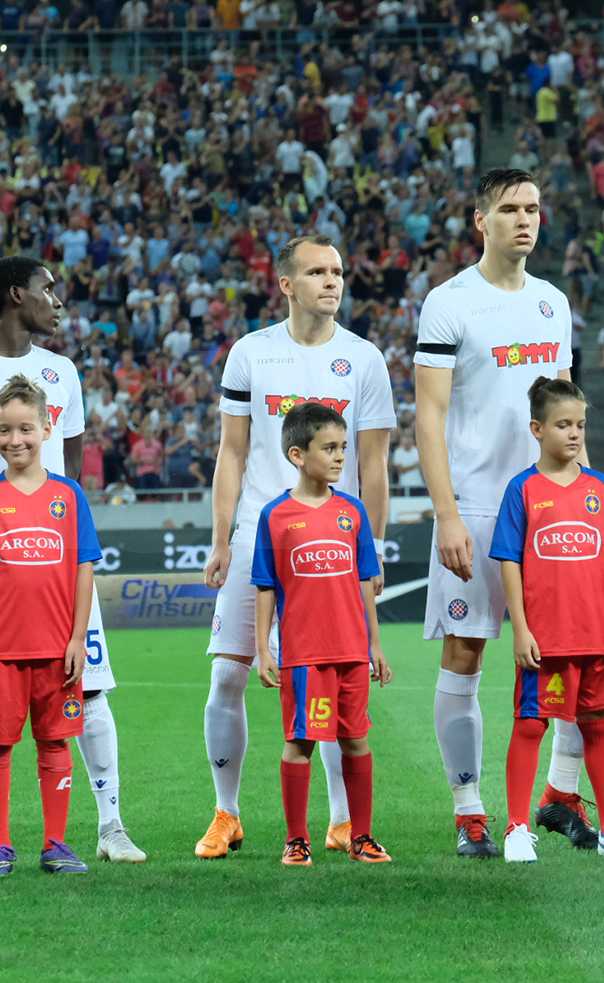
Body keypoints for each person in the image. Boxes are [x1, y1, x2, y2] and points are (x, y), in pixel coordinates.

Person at [0, 255, 144, 868]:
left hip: (56, 571)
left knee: (86, 689)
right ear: (18, 294)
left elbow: (68, 466)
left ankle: (109, 826)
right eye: (48, 289)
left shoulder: (62, 373)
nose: (58, 299)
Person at [197, 234, 394, 859]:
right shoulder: (250, 354)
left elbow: (375, 462)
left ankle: (341, 822)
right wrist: (222, 536)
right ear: (286, 284)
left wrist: (376, 549)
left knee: (335, 677)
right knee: (230, 674)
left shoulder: (364, 359)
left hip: (335, 546)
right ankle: (227, 813)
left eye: (338, 271)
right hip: (261, 532)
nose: (332, 282)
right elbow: (231, 452)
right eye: (317, 272)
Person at [412, 168, 580, 857]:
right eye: (510, 208)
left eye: (534, 208)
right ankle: (470, 807)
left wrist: (584, 494)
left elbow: (565, 407)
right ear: (480, 220)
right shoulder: (450, 303)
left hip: (550, 508)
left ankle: (561, 794)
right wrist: (446, 513)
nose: (524, 219)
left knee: (573, 655)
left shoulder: (552, 303)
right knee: (465, 653)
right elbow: (428, 413)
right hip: (478, 507)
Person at [491, 379, 604, 862]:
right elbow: (509, 561)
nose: (575, 433)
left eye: (580, 425)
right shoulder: (523, 489)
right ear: (537, 429)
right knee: (531, 725)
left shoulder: (600, 488)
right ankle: (518, 828)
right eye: (563, 425)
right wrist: (520, 627)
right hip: (545, 636)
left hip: (592, 635)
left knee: (598, 722)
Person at [0, 375, 100, 877]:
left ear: (47, 426)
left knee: (55, 741)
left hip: (57, 648)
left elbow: (84, 569)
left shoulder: (70, 496)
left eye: (25, 429)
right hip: (1, 651)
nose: (14, 440)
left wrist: (79, 637)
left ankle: (55, 844)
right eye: (4, 430)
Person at [251, 402, 392, 866]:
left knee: (356, 740)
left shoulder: (352, 512)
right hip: (304, 654)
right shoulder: (275, 516)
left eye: (343, 448)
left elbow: (365, 583)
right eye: (329, 448)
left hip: (351, 650)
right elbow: (266, 586)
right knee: (301, 742)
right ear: (297, 454)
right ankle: (296, 839)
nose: (339, 457)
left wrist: (375, 645)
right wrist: (263, 649)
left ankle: (362, 836)